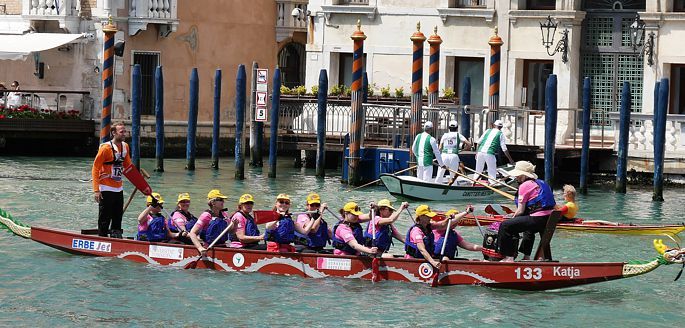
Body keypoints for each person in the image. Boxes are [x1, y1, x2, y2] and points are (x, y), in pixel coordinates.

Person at [497, 161, 556, 262]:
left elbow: (520, 210)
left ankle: (508, 257)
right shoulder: (541, 183)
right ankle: (526, 256)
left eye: (518, 175)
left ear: (524, 175)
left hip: (538, 219)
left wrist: (512, 217)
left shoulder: (524, 186)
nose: (516, 177)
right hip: (549, 218)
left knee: (505, 226)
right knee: (528, 229)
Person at [91, 122, 132, 238]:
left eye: (125, 131)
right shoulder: (105, 149)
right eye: (121, 132)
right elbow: (95, 168)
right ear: (114, 133)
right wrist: (96, 190)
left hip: (119, 188)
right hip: (105, 188)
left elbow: (128, 167)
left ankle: (116, 236)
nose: (124, 134)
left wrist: (139, 182)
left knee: (118, 216)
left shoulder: (125, 147)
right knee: (105, 217)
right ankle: (102, 237)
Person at [189, 190, 234, 256]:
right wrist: (200, 248)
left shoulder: (224, 215)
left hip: (222, 246)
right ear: (213, 203)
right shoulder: (206, 215)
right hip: (208, 247)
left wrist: (234, 224)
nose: (223, 202)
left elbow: (231, 232)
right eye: (220, 200)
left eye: (223, 200)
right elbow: (192, 233)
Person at [472, 120, 514, 185]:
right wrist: (510, 159)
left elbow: (478, 143)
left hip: (480, 152)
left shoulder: (487, 131)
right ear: (501, 127)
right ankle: (492, 184)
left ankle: (473, 182)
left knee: (478, 170)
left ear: (494, 125)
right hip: (490, 153)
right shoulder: (500, 134)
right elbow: (504, 149)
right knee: (492, 171)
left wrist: (477, 153)